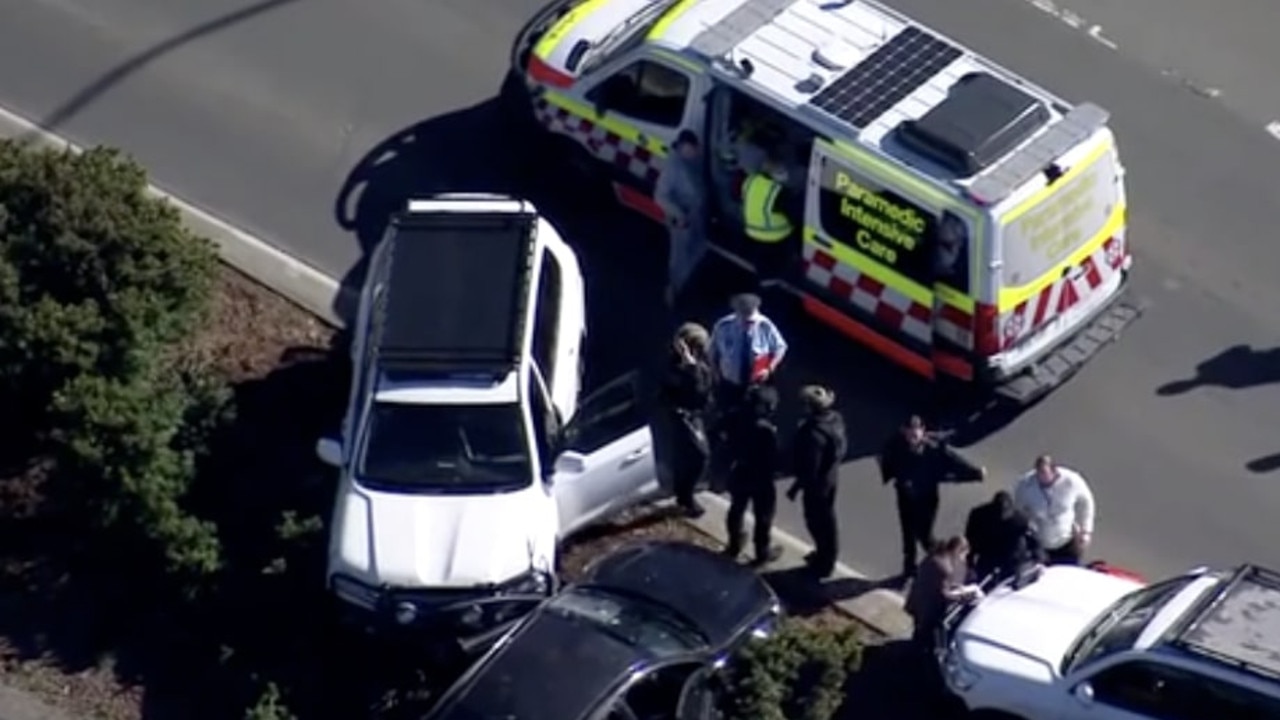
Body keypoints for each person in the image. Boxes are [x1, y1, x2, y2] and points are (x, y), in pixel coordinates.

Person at [879, 415, 986, 581]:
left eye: (917, 432)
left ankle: (941, 561)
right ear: (904, 431)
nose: (913, 436)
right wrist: (891, 475)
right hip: (905, 496)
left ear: (923, 432)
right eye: (910, 432)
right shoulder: (896, 445)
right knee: (907, 534)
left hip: (926, 498)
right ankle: (909, 569)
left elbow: (955, 461)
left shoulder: (934, 448)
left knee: (925, 535)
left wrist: (975, 473)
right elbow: (886, 458)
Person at [786, 385, 847, 578]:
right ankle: (826, 556)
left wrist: (796, 487)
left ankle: (824, 561)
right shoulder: (836, 420)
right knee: (827, 521)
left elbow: (809, 469)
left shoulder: (812, 434)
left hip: (817, 487)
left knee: (817, 522)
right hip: (830, 478)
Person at [655, 323, 714, 518]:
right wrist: (691, 368)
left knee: (689, 457)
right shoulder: (676, 369)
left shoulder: (698, 363)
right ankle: (685, 495)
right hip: (683, 417)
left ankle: (684, 492)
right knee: (698, 455)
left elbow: (706, 385)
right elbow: (695, 390)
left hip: (695, 414)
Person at [722, 384, 782, 565]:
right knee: (763, 516)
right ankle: (762, 553)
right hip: (760, 477)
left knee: (736, 508)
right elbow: (773, 459)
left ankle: (734, 544)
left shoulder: (735, 416)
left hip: (739, 470)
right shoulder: (765, 431)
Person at [708, 292, 788, 411]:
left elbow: (781, 347)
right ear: (737, 314)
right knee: (726, 412)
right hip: (729, 383)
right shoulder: (723, 326)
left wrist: (769, 368)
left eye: (752, 322)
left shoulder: (764, 325)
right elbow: (712, 351)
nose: (750, 325)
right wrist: (715, 373)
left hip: (755, 384)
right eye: (746, 322)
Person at [654, 129, 708, 306]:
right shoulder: (674, 167)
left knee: (697, 249)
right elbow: (660, 196)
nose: (695, 152)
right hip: (682, 219)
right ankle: (675, 291)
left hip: (693, 215)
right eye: (692, 149)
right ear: (684, 147)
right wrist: (678, 214)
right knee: (680, 257)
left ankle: (686, 286)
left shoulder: (687, 161)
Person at [1011, 455, 1096, 566]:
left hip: (1066, 540)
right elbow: (1018, 509)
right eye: (1038, 474)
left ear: (1054, 471)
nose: (1041, 478)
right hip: (1041, 543)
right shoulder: (1025, 485)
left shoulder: (1071, 482)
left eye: (1044, 473)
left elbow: (1087, 502)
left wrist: (1086, 530)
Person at [904, 536, 982, 651]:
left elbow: (936, 583)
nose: (963, 560)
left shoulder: (936, 557)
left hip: (917, 601)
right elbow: (943, 595)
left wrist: (956, 588)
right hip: (928, 610)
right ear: (958, 551)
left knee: (918, 631)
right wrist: (962, 596)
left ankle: (915, 648)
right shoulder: (946, 568)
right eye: (963, 555)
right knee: (926, 638)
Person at [965, 491, 1042, 583]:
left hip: (1012, 560)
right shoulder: (979, 515)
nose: (1002, 515)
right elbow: (969, 540)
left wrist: (1039, 560)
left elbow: (1034, 541)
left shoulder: (1021, 518)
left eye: (1005, 512)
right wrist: (969, 565)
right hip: (988, 558)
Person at [740, 157, 795, 282]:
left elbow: (742, 198)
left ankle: (763, 284)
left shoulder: (750, 180)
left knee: (762, 268)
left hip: (751, 234)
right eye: (781, 172)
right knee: (774, 270)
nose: (785, 174)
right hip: (775, 238)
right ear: (773, 174)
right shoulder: (777, 192)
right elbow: (793, 212)